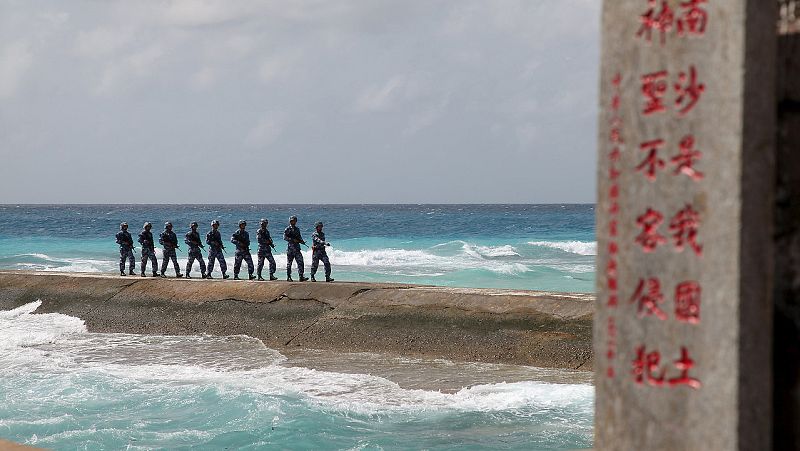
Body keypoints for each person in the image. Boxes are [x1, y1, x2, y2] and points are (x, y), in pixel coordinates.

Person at [283, 215, 308, 282]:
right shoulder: (287, 229)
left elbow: (299, 237)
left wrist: (302, 241)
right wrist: (292, 240)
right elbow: (284, 237)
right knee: (289, 263)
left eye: (293, 221)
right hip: (290, 249)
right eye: (291, 221)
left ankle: (301, 276)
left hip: (297, 249)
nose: (292, 222)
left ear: (296, 221)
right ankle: (288, 277)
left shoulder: (297, 229)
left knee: (300, 262)